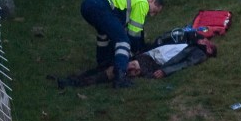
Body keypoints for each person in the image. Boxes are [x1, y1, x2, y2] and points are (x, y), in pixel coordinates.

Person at [55, 35, 216, 88]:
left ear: (208, 50)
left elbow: (185, 64)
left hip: (152, 62)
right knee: (114, 65)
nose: (205, 40)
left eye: (208, 43)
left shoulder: (198, 53)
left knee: (123, 67)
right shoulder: (190, 43)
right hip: (148, 56)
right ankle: (78, 79)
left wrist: (165, 71)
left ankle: (78, 81)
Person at [80, 0, 163, 88]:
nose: (152, 15)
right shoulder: (143, 2)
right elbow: (133, 34)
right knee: (123, 41)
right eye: (154, 10)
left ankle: (103, 64)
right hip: (100, 6)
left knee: (104, 36)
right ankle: (120, 77)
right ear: (151, 0)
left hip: (87, 5)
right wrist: (135, 52)